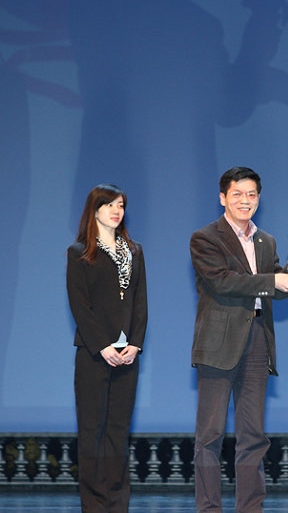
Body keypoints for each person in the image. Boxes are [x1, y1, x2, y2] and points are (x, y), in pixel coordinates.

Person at [190, 166, 288, 513]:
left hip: (257, 339)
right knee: (210, 435)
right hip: (218, 343)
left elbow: (276, 289)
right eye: (237, 194)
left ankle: (250, 508)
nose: (245, 200)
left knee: (253, 435)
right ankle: (209, 509)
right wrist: (273, 280)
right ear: (222, 198)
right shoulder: (205, 238)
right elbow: (223, 282)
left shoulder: (266, 241)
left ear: (259, 198)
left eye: (252, 194)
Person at [66, 183, 148, 513]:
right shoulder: (79, 252)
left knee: (118, 431)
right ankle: (94, 504)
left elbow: (140, 302)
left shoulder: (134, 251)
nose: (117, 211)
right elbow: (80, 306)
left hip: (127, 356)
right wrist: (102, 345)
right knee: (92, 431)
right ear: (95, 210)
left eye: (121, 205)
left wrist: (136, 344)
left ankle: (116, 503)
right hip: (93, 354)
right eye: (109, 205)